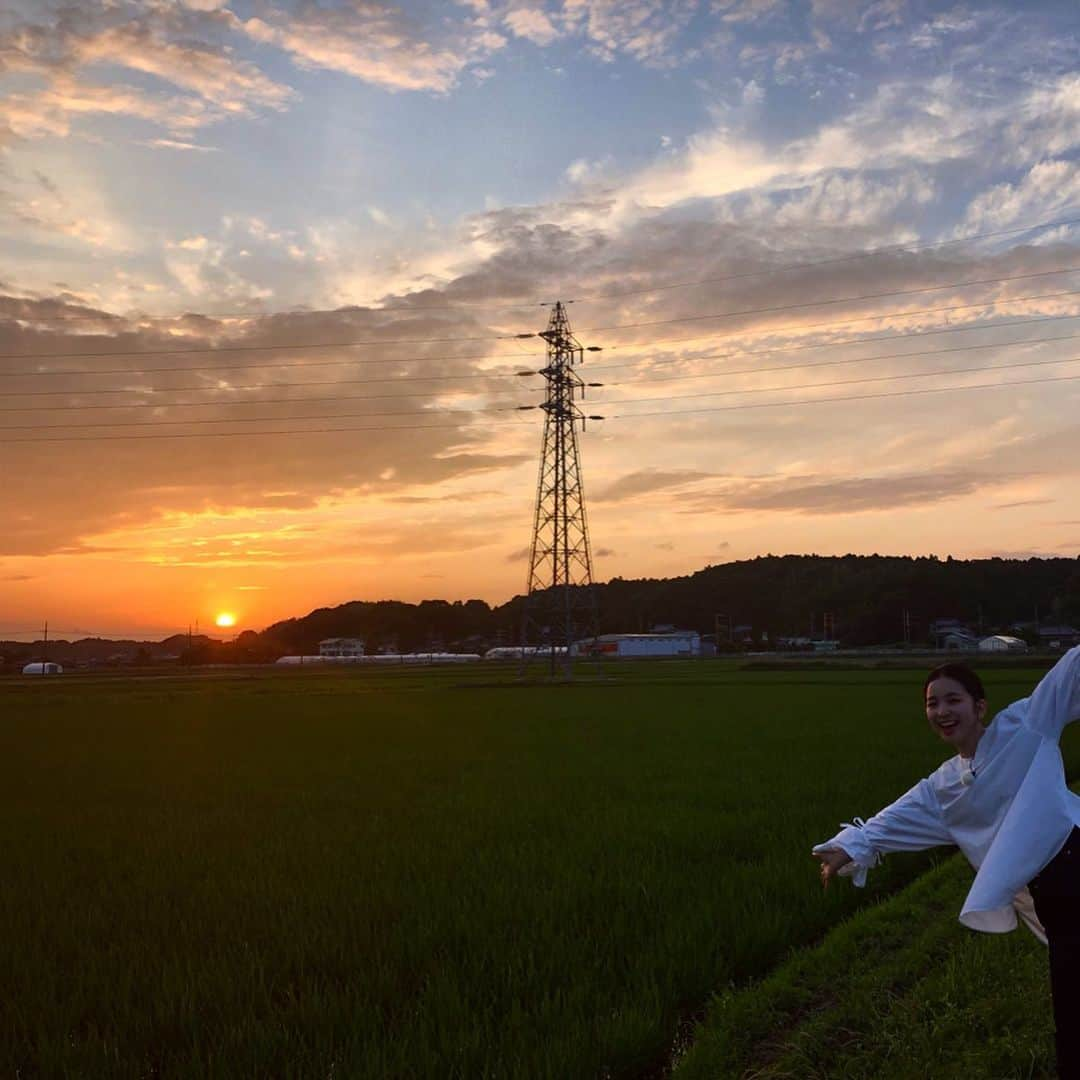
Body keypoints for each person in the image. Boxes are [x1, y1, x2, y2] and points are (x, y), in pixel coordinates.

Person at [812, 646, 1080, 1077]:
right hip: (1049, 893)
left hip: (1074, 862)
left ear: (979, 707)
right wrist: (848, 848)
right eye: (932, 703)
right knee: (1070, 992)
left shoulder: (1023, 725)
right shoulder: (943, 786)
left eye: (953, 699)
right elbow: (887, 823)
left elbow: (1070, 673)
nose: (942, 710)